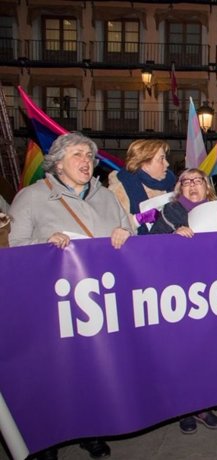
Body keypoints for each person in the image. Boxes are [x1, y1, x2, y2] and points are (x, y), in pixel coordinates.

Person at [9, 132, 132, 459]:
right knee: (51, 378)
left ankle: (90, 430)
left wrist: (126, 233)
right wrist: (45, 247)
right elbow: (11, 249)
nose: (86, 162)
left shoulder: (106, 197)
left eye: (90, 157)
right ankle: (46, 442)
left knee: (93, 371)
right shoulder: (32, 197)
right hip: (50, 308)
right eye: (77, 154)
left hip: (99, 303)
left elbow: (130, 237)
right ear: (58, 162)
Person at [148, 169, 217, 433]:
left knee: (208, 350)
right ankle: (184, 408)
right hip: (180, 294)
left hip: (215, 292)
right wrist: (172, 239)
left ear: (208, 186)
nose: (193, 185)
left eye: (198, 181)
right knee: (184, 352)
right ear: (179, 187)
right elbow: (147, 246)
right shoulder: (170, 214)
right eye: (187, 181)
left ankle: (205, 405)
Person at [108, 139, 176, 234]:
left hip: (168, 244)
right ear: (144, 162)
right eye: (161, 159)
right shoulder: (121, 188)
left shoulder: (172, 184)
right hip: (137, 246)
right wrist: (137, 220)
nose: (167, 163)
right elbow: (111, 222)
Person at [150, 168, 217, 237]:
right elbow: (152, 241)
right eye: (186, 182)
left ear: (207, 189)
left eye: (198, 181)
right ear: (181, 190)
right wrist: (173, 235)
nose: (192, 185)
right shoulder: (170, 212)